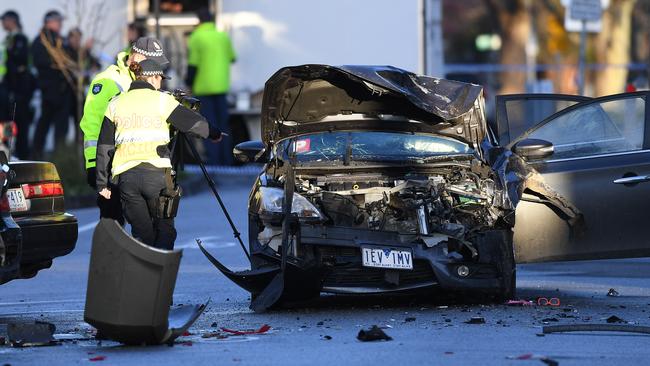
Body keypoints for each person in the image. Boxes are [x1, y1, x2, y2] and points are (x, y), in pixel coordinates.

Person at [95, 59, 223, 250]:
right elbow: (194, 123)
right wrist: (214, 133)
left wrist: (102, 183)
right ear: (153, 78)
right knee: (164, 231)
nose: (161, 83)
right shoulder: (163, 101)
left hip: (126, 178)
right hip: (156, 176)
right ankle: (161, 275)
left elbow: (104, 146)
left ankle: (143, 277)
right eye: (160, 79)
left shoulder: (115, 103)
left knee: (142, 234)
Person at [80, 37, 169, 224]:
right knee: (113, 221)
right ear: (136, 57)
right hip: (107, 164)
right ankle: (111, 253)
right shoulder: (108, 81)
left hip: (133, 165)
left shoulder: (142, 79)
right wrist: (94, 165)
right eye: (151, 62)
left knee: (142, 223)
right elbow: (92, 124)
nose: (155, 68)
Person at [186, 7, 236, 166]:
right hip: (221, 88)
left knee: (209, 128)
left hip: (204, 89)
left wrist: (188, 83)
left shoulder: (196, 37)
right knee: (223, 125)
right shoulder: (223, 36)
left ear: (199, 21)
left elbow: (192, 66)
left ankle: (214, 165)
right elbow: (232, 58)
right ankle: (227, 162)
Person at [31, 10, 75, 159]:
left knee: (60, 128)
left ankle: (59, 158)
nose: (60, 24)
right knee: (44, 125)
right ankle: (37, 155)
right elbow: (41, 63)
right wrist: (58, 63)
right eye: (57, 21)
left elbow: (71, 58)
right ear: (49, 22)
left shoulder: (60, 40)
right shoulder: (41, 41)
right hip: (50, 91)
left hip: (62, 91)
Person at [0, 10, 33, 159]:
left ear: (12, 20)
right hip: (8, 91)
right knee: (7, 123)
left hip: (18, 92)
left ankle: (20, 156)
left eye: (4, 20)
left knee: (19, 124)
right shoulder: (9, 39)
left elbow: (19, 65)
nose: (2, 24)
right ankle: (6, 152)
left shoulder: (20, 39)